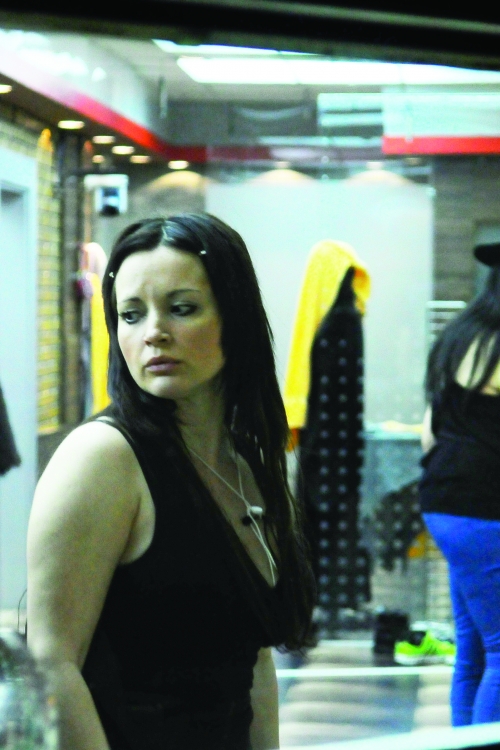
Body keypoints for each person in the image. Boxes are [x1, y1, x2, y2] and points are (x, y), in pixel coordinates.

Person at [27, 213, 315, 750]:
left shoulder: (245, 462)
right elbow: (52, 663)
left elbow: (254, 662)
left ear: (235, 317)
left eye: (181, 309)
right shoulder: (103, 458)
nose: (153, 332)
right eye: (131, 315)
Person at [419, 241, 500, 726]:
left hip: (446, 502)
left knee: (474, 650)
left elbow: (429, 434)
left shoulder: (458, 336)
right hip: (486, 509)